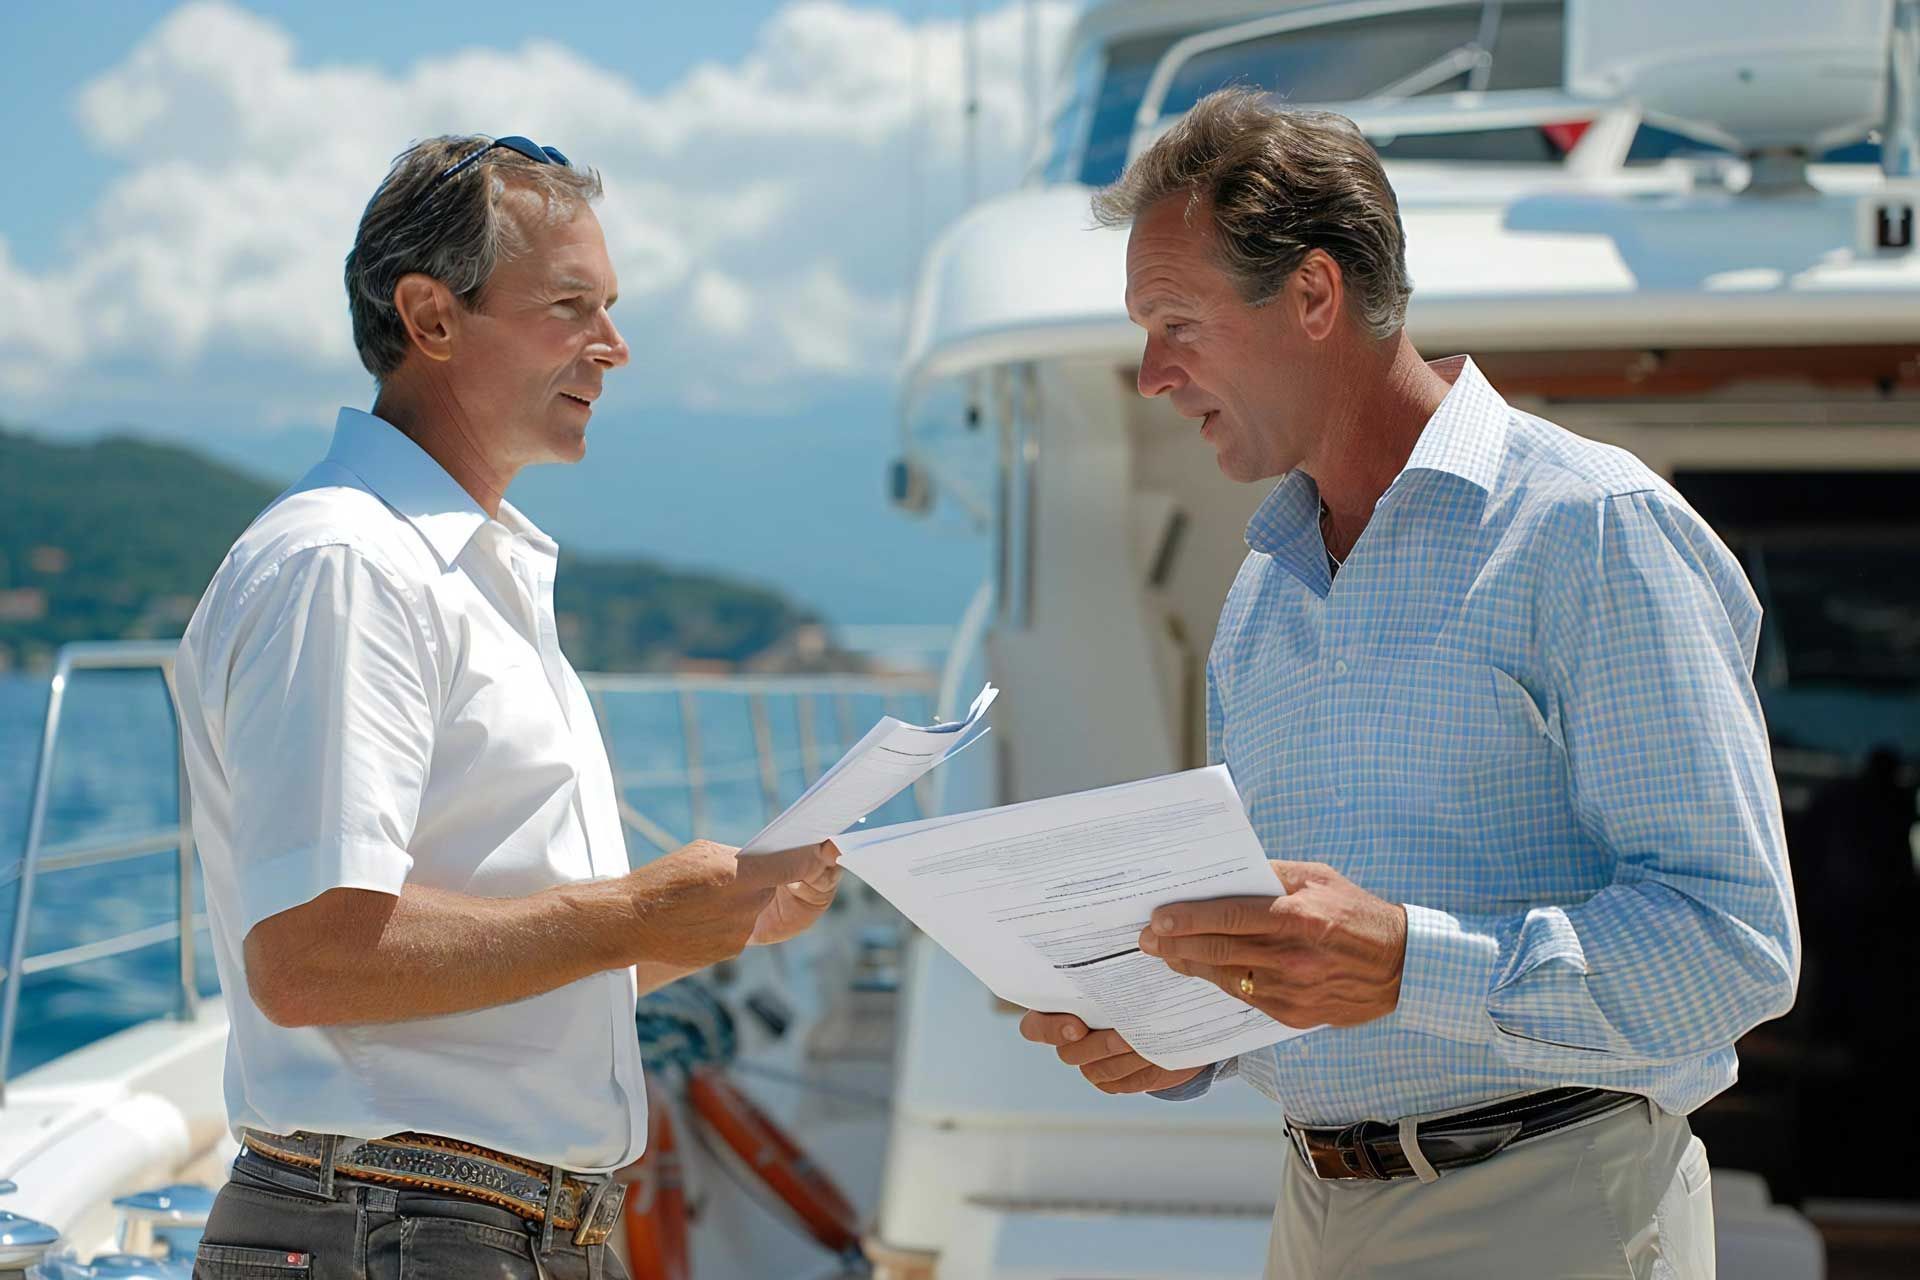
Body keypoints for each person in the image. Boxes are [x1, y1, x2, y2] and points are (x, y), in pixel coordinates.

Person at [1017, 90, 1799, 1279]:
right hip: (1312, 1211)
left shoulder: (1591, 526)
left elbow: (1736, 947)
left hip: (1551, 1213)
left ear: (1315, 295)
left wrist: (1407, 962)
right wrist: (1183, 1040)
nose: (1149, 374)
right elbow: (1305, 953)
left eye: (1175, 322)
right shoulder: (1264, 591)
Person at [174, 134, 840, 1280]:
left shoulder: (453, 572)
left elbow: (478, 977)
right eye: (572, 305)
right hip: (401, 1232)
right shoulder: (352, 564)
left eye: (612, 307)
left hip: (456, 1228)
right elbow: (312, 956)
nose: (614, 348)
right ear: (431, 317)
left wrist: (707, 925)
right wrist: (632, 912)